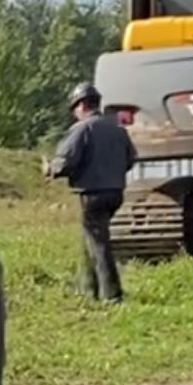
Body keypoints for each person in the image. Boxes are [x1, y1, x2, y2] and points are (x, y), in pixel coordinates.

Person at [46, 82, 137, 302]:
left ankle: (111, 294)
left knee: (98, 243)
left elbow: (65, 162)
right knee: (92, 238)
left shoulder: (81, 129)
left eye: (74, 108)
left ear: (82, 105)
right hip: (115, 192)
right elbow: (131, 158)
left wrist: (50, 169)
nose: (74, 113)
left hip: (92, 194)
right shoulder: (117, 129)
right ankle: (88, 288)